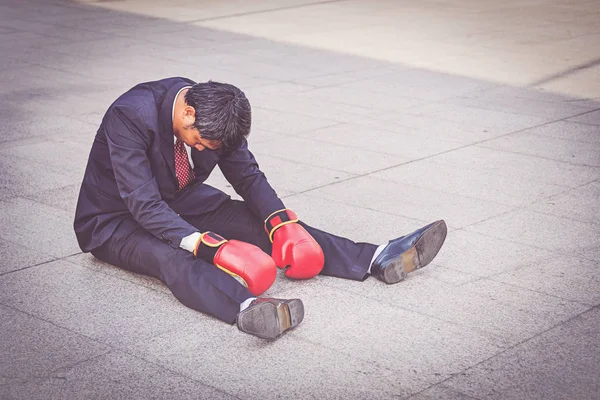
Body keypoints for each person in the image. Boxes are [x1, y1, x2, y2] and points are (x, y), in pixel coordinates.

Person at [74, 77, 447, 340]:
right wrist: (209, 246)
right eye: (199, 142)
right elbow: (144, 203)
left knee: (265, 226)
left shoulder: (218, 115)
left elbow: (248, 178)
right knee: (171, 256)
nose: (202, 150)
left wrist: (280, 223)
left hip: (181, 202)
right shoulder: (130, 115)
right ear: (187, 113)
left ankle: (375, 258)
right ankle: (249, 309)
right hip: (115, 221)